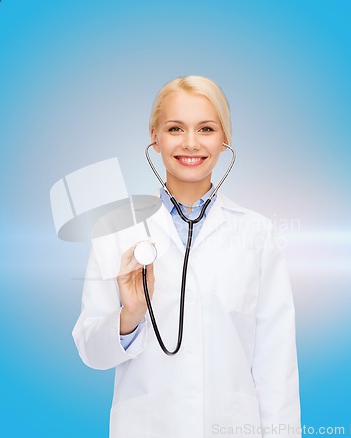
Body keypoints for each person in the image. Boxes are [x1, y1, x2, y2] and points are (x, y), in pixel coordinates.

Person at [73, 76, 301, 438]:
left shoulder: (257, 234)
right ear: (155, 136)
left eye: (206, 128)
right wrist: (129, 316)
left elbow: (277, 366)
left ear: (224, 139)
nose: (191, 143)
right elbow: (92, 352)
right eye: (175, 128)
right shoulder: (115, 228)